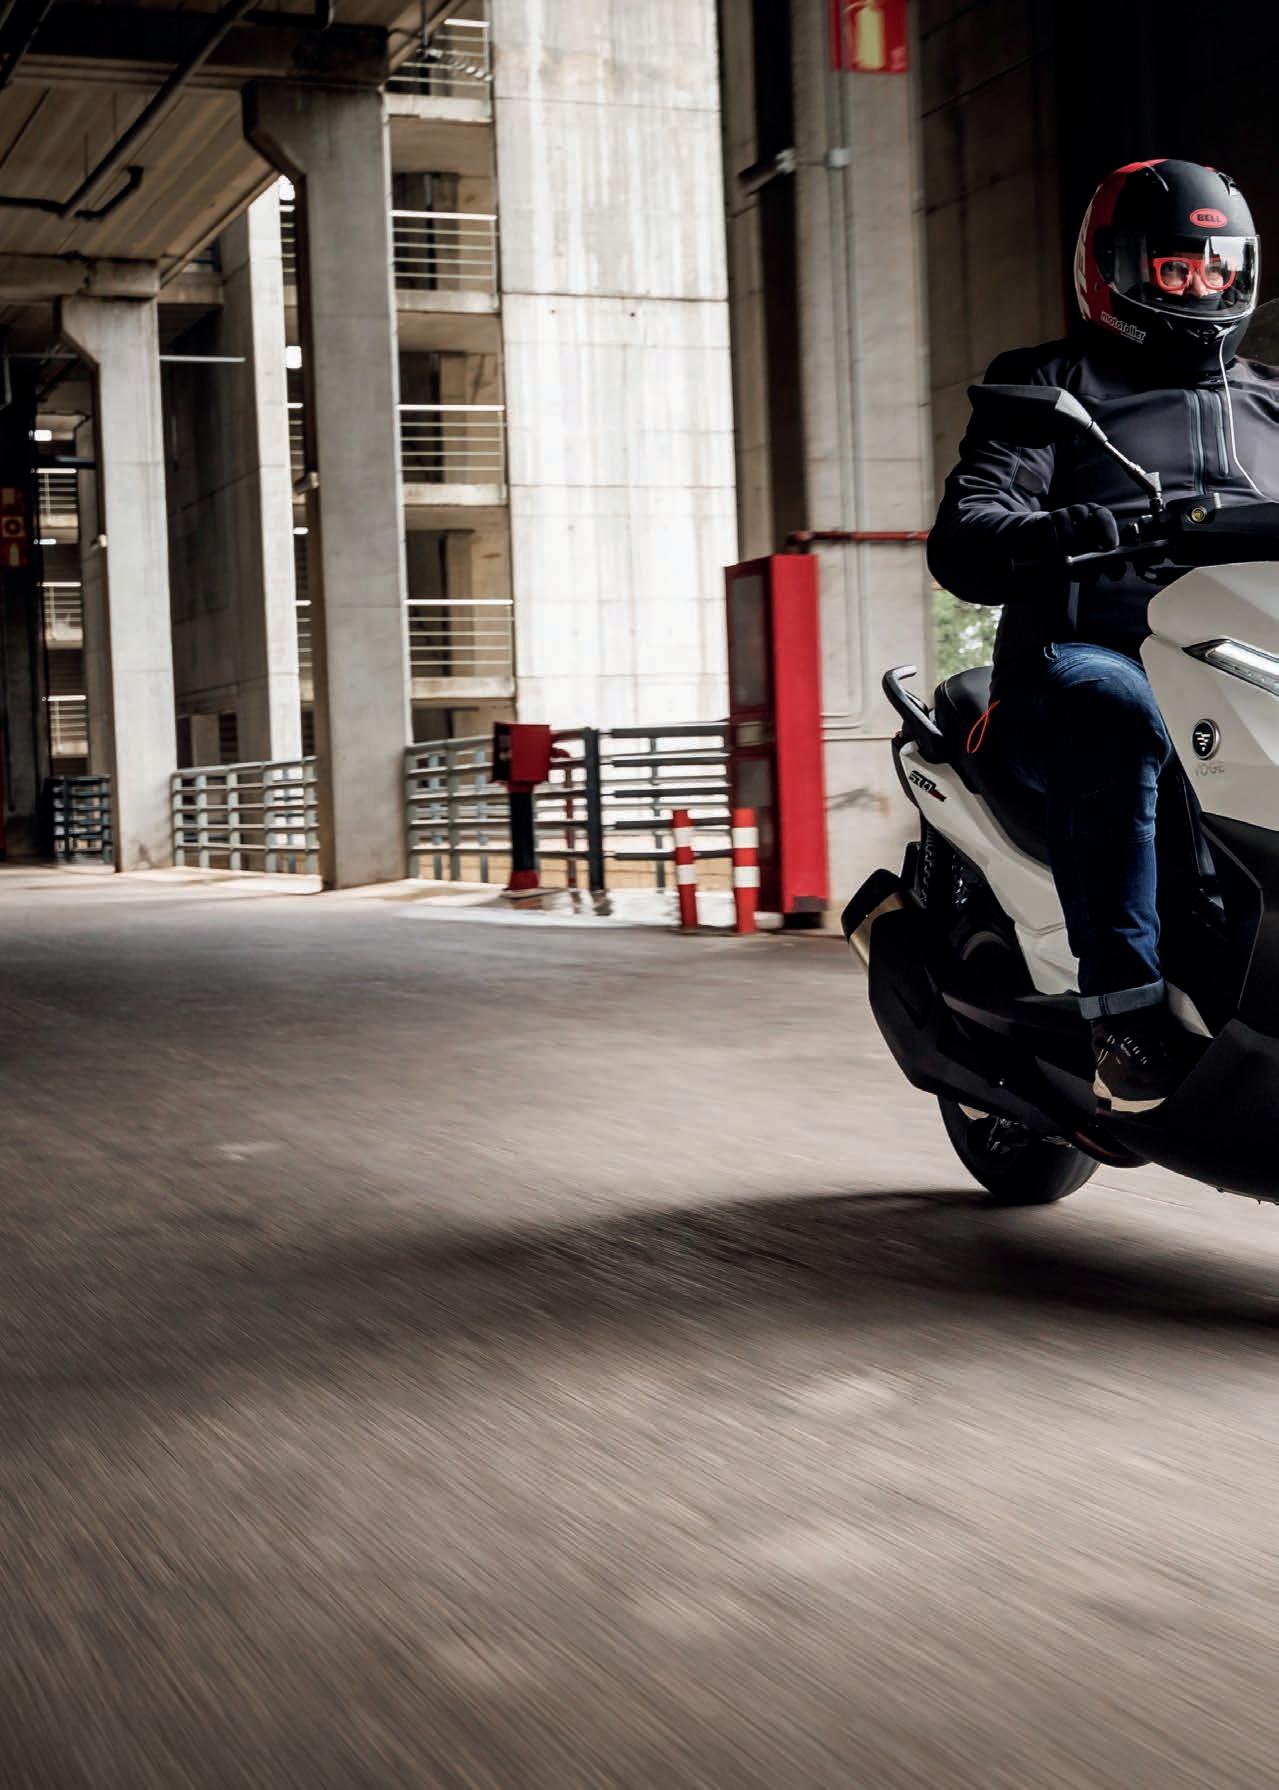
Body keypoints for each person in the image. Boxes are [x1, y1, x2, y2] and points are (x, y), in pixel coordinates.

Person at [927, 158, 1279, 1113]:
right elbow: (968, 530)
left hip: (1238, 659)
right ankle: (1124, 1011)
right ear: (1112, 269)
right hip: (1083, 661)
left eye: (1216, 268)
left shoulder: (1270, 399)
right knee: (1118, 713)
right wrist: (1047, 533)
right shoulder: (1048, 384)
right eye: (1174, 269)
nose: (1198, 287)